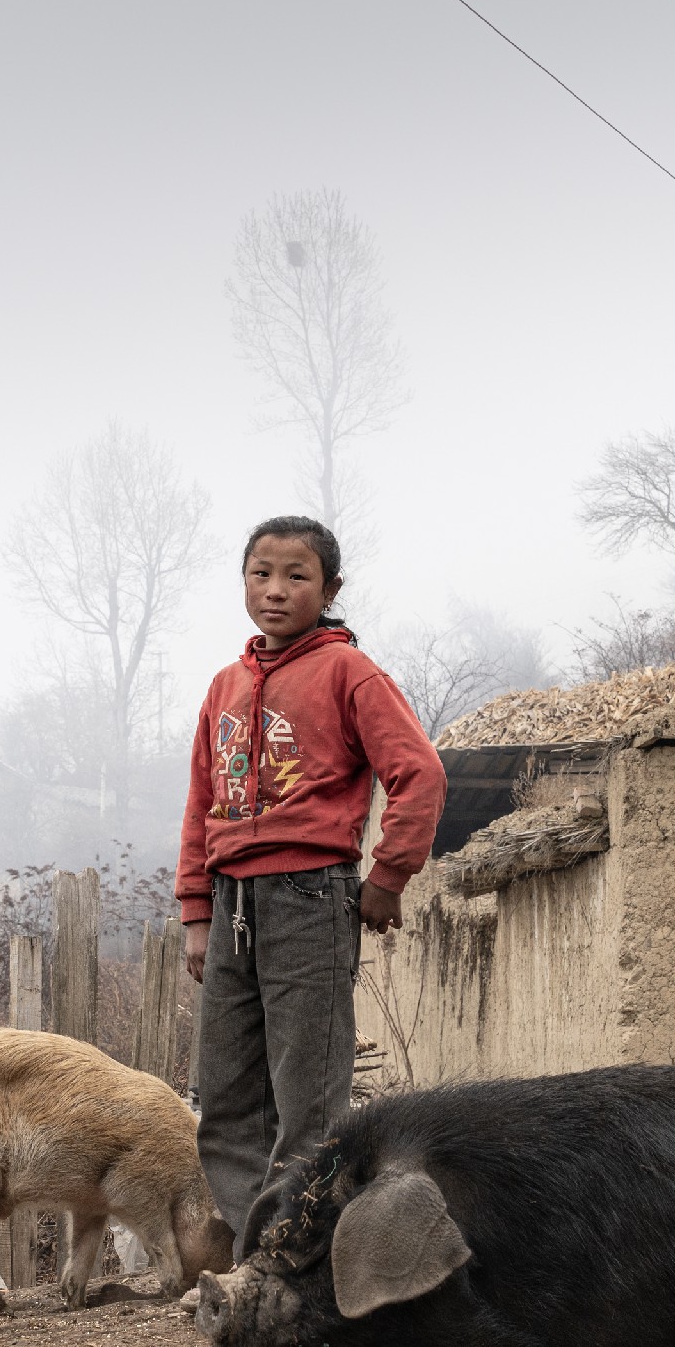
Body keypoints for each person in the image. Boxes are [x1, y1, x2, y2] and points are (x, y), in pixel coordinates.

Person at [178, 516, 446, 1254]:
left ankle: (305, 1256)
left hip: (309, 894)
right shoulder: (225, 686)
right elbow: (202, 803)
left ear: (329, 589)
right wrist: (197, 909)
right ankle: (257, 1251)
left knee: (309, 1103)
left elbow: (419, 773)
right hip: (231, 904)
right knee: (224, 1099)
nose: (275, 590)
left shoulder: (348, 673)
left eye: (297, 576)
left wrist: (388, 876)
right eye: (260, 573)